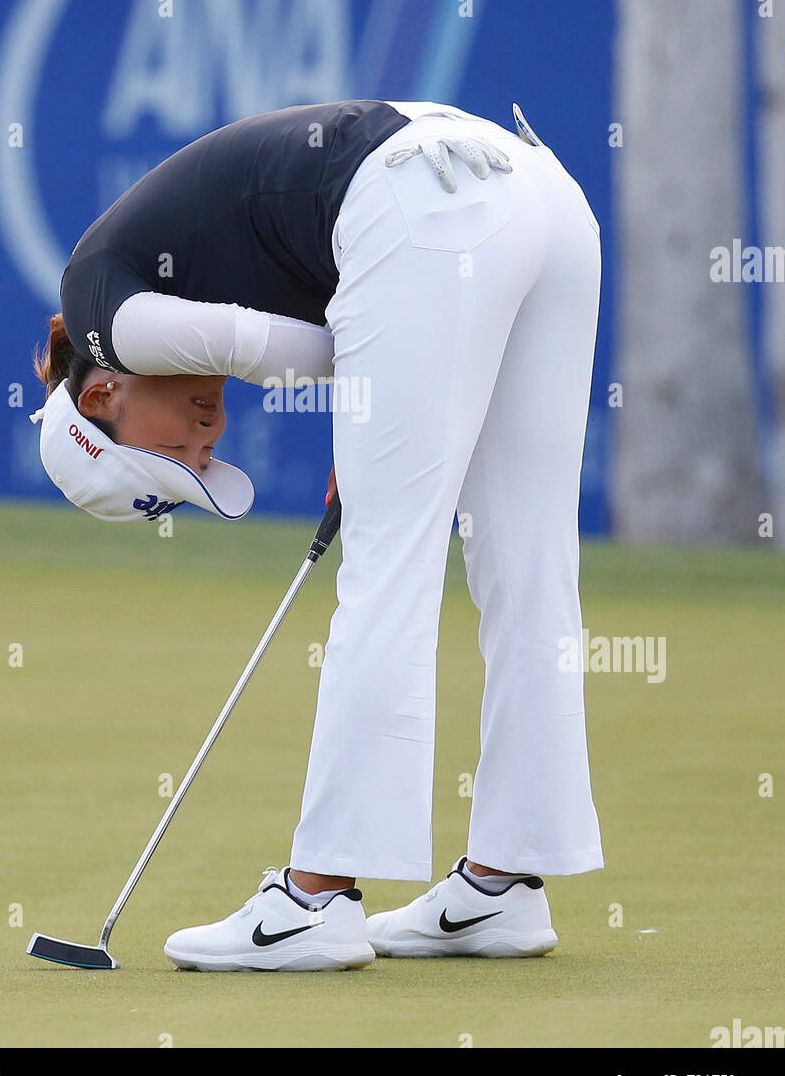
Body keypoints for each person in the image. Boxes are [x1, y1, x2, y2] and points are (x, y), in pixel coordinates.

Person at [31, 98, 604, 971]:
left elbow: (293, 349)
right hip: (540, 198)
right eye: (197, 464)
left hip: (429, 199)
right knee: (530, 558)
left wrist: (387, 409)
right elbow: (355, 345)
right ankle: (501, 887)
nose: (205, 441)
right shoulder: (130, 311)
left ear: (100, 399)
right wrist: (392, 404)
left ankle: (314, 901)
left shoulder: (99, 308)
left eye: (174, 454)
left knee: (389, 560)